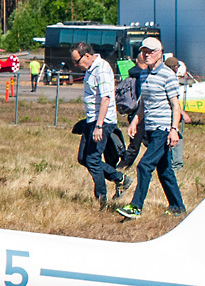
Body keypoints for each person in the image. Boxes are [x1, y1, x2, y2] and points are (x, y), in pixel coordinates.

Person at [116, 37, 187, 220]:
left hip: (163, 129)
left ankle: (136, 207)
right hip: (150, 126)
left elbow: (175, 106)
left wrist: (173, 129)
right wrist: (135, 122)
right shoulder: (144, 74)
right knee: (165, 170)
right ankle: (177, 207)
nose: (146, 55)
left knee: (144, 165)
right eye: (144, 51)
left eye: (151, 51)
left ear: (160, 53)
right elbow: (143, 104)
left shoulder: (168, 75)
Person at [72, 42, 127, 206]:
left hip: (101, 121)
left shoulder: (101, 69)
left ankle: (101, 199)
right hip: (92, 120)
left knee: (93, 160)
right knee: (83, 158)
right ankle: (120, 178)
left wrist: (99, 126)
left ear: (87, 55)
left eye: (77, 61)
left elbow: (106, 98)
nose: (76, 65)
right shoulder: (91, 69)